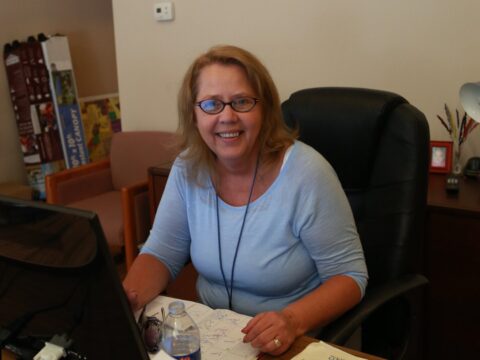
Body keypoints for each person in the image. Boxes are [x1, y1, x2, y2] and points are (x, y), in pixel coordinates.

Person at [123, 45, 368, 356]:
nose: (227, 117)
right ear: (194, 114)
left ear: (264, 109)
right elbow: (161, 252)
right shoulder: (188, 168)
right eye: (211, 104)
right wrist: (126, 300)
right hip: (216, 337)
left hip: (294, 340)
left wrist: (291, 321)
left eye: (241, 102)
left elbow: (350, 277)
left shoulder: (307, 174)